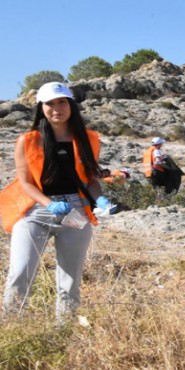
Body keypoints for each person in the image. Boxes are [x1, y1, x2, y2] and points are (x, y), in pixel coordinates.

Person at [2, 82, 111, 321]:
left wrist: (99, 198)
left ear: (71, 104)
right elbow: (26, 183)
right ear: (41, 108)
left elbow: (90, 179)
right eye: (50, 104)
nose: (56, 108)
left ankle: (65, 331)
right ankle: (10, 327)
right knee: (21, 272)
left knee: (70, 279)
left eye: (62, 102)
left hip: (75, 210)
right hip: (36, 211)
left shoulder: (90, 139)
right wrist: (47, 204)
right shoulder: (27, 141)